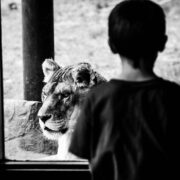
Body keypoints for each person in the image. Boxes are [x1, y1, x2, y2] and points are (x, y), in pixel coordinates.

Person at [69, 0, 180, 179]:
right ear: (163, 43)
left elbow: (85, 153)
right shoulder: (174, 96)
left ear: (111, 45)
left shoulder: (97, 97)